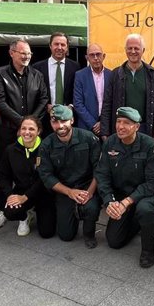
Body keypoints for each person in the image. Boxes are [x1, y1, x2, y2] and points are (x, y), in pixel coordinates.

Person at [0, 39, 49, 225]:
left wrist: (31, 123)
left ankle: (29, 205)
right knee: (7, 172)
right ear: (12, 53)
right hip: (9, 132)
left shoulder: (37, 75)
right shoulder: (0, 74)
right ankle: (4, 207)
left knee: (34, 170)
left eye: (29, 54)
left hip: (33, 132)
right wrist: (21, 123)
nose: (26, 57)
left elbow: (44, 99)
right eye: (22, 53)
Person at [95, 107, 154, 268]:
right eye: (118, 121)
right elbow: (102, 175)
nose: (121, 126)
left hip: (143, 195)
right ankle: (136, 222)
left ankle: (147, 249)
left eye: (127, 123)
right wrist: (110, 201)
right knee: (114, 241)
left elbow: (153, 182)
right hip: (120, 195)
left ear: (137, 127)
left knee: (145, 210)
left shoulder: (149, 145)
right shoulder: (110, 142)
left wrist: (126, 202)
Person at [37, 105, 102, 248]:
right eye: (55, 122)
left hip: (87, 185)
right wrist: (69, 192)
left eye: (64, 121)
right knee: (66, 236)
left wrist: (90, 193)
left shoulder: (89, 138)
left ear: (72, 120)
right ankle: (70, 211)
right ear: (51, 123)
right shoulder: (47, 145)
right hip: (64, 188)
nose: (60, 126)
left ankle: (89, 233)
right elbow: (46, 175)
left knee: (91, 207)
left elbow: (100, 169)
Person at [0, 116, 56, 238]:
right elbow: (4, 177)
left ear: (39, 131)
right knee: (10, 212)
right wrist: (10, 195)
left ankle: (36, 210)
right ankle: (25, 216)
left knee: (46, 233)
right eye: (24, 128)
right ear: (19, 130)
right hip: (21, 190)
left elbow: (44, 179)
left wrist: (25, 197)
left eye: (31, 129)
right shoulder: (10, 150)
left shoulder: (46, 148)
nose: (27, 132)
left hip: (43, 192)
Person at [100, 34, 154, 142]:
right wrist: (104, 131)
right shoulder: (115, 74)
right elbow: (107, 104)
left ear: (143, 50)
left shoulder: (153, 74)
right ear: (125, 50)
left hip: (145, 128)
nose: (133, 51)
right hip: (121, 129)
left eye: (136, 48)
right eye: (129, 48)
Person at [33, 32, 80, 133]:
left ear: (67, 47)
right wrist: (45, 106)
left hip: (67, 119)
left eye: (63, 45)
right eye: (56, 44)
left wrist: (71, 106)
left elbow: (78, 91)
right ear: (50, 46)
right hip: (45, 118)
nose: (59, 47)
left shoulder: (75, 67)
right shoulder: (37, 68)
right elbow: (34, 94)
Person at [73, 43, 113, 135]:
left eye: (98, 54)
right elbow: (78, 103)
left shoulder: (111, 75)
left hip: (107, 126)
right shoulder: (80, 76)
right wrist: (93, 124)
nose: (95, 58)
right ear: (87, 58)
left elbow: (113, 102)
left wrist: (103, 123)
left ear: (104, 56)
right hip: (86, 127)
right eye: (92, 55)